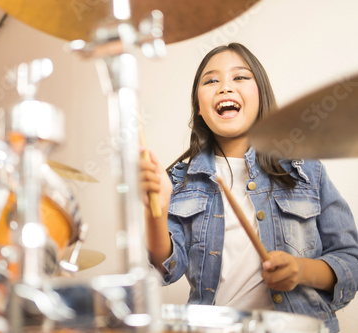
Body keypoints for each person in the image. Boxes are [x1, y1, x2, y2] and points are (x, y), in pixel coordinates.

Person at [140, 43, 358, 333]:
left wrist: (300, 270)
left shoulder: (307, 169)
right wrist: (157, 209)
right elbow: (164, 269)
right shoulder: (178, 180)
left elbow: (349, 261)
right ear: (199, 108)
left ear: (261, 96)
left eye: (240, 77)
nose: (225, 88)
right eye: (211, 80)